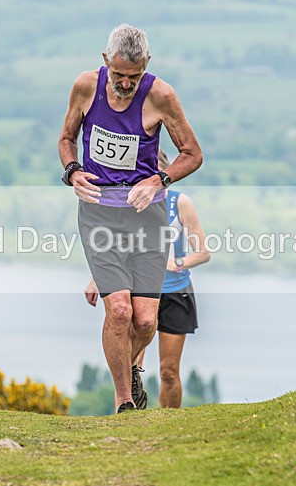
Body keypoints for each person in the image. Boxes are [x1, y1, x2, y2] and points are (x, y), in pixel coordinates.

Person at [58, 24, 203, 413]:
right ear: (106, 61)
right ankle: (125, 402)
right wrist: (72, 171)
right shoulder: (86, 87)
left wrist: (160, 179)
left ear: (147, 67)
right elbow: (66, 137)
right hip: (99, 213)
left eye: (133, 77)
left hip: (146, 217)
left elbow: (192, 153)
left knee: (144, 322)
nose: (125, 84)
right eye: (119, 75)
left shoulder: (161, 95)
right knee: (119, 310)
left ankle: (130, 367)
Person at [85, 149, 210, 409]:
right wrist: (96, 278)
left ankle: (167, 422)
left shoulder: (179, 203)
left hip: (175, 292)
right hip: (138, 290)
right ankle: (127, 415)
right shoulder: (129, 202)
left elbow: (203, 253)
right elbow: (114, 249)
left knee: (168, 371)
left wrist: (175, 263)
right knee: (130, 365)